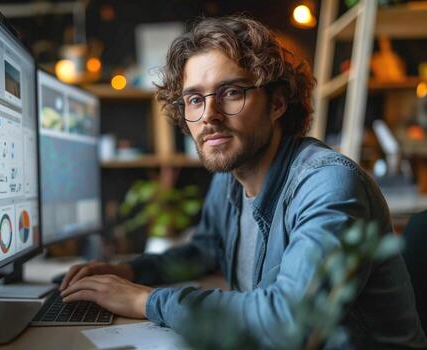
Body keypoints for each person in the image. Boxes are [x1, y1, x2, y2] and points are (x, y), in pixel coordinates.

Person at [59, 15, 427, 348]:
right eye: (194, 99)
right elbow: (204, 250)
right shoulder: (231, 179)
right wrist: (130, 271)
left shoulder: (328, 183)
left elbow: (289, 321)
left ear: (278, 102)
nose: (210, 116)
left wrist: (145, 300)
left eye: (231, 92)